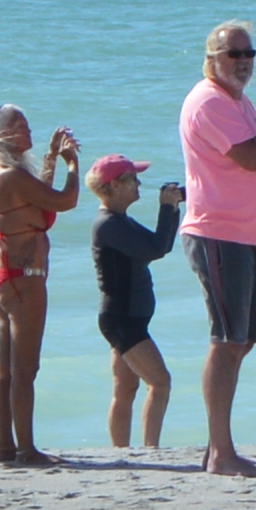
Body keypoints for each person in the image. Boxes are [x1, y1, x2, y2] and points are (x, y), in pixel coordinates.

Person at [178, 23, 256, 477]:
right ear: (212, 57)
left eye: (250, 52)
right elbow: (253, 157)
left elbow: (248, 171)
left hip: (245, 235)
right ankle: (222, 454)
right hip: (219, 234)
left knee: (242, 340)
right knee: (227, 340)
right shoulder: (209, 101)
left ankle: (217, 447)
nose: (245, 61)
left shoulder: (236, 100)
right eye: (234, 54)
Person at [0, 104, 81, 465]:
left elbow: (38, 199)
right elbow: (65, 201)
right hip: (24, 279)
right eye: (20, 126)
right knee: (25, 369)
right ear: (4, 134)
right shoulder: (11, 176)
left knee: (6, 369)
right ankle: (25, 449)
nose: (28, 131)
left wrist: (51, 155)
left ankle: (6, 446)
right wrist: (72, 164)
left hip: (2, 275)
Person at [84, 158, 178, 451]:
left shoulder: (120, 220)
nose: (139, 184)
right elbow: (157, 248)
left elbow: (157, 243)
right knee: (160, 383)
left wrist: (171, 208)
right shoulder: (108, 225)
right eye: (133, 179)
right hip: (122, 319)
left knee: (125, 388)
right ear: (114, 185)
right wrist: (167, 207)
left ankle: (121, 453)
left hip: (128, 317)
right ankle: (152, 450)